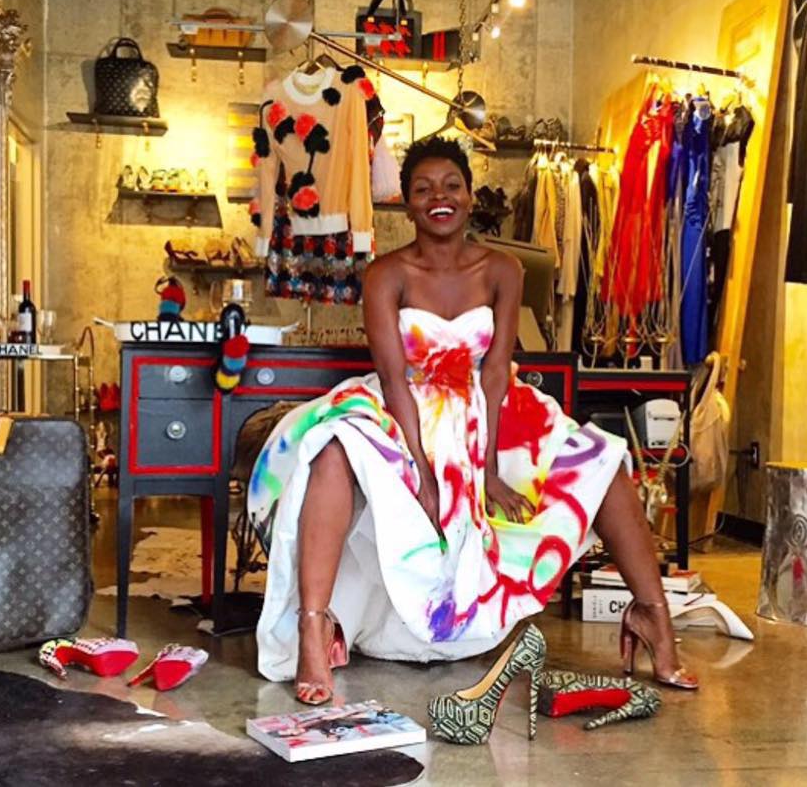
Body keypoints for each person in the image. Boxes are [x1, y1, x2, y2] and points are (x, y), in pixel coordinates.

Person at [247, 137, 697, 706]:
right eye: (423, 189)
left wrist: (482, 473)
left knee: (600, 458)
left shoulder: (503, 270)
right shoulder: (386, 274)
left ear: (468, 195)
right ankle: (313, 629)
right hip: (403, 405)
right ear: (407, 203)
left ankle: (651, 616)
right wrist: (423, 470)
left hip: (483, 409)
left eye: (451, 185)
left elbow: (495, 373)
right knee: (333, 449)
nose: (440, 197)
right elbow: (391, 379)